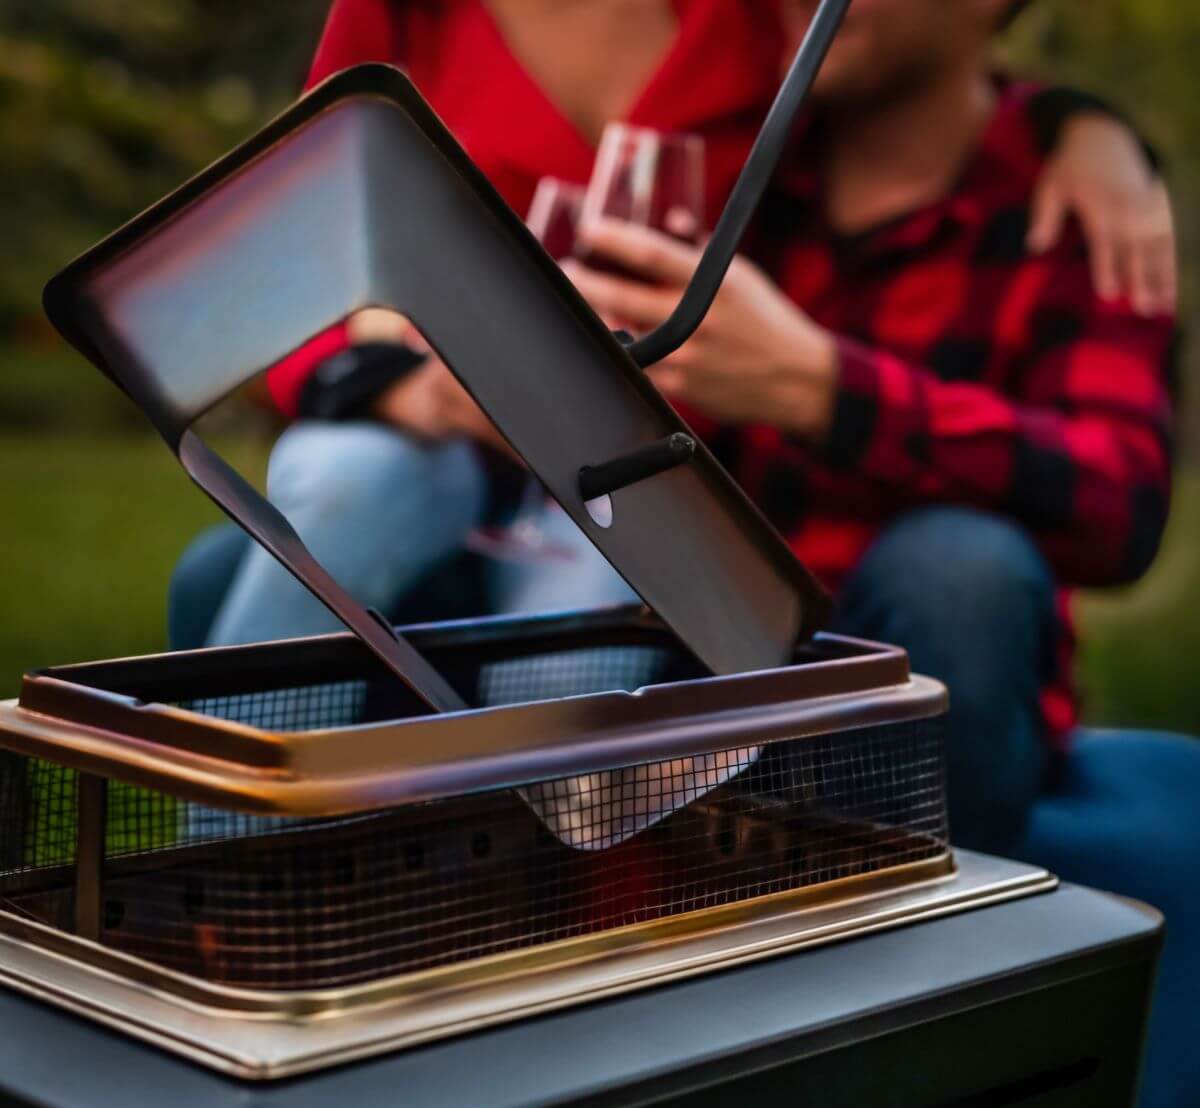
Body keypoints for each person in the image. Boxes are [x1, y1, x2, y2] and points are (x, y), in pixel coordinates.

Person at [170, 0, 1176, 657]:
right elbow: (294, 270)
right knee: (319, 518)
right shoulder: (800, 88)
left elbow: (912, 62)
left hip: (665, 523)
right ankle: (245, 880)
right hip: (460, 462)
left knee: (952, 572)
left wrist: (1084, 129)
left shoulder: (765, 45)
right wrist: (398, 382)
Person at [559, 0, 1177, 851]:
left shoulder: (1078, 204)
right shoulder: (732, 159)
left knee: (962, 567)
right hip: (690, 672)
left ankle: (916, 948)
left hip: (930, 707)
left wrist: (826, 390)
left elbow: (1120, 499)